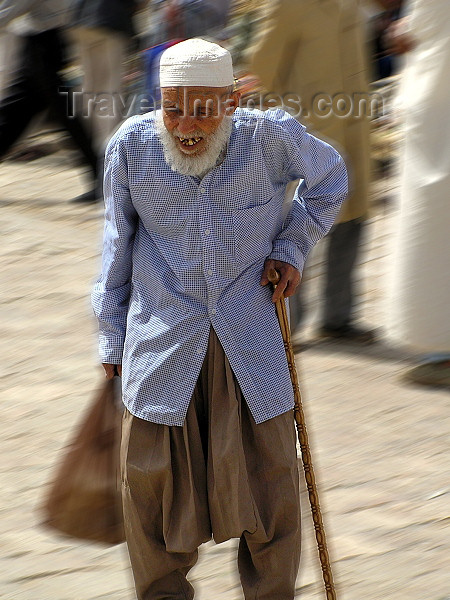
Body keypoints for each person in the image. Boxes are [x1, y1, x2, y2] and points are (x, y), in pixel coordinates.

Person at [92, 38, 347, 599]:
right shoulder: (130, 148)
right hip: (161, 348)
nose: (186, 124)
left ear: (231, 102)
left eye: (203, 108)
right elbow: (116, 245)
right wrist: (111, 335)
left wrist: (292, 245)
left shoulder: (271, 138)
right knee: (152, 493)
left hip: (250, 345)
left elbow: (331, 177)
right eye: (172, 106)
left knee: (272, 490)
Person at [249, 0, 377, 343]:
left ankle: (338, 318)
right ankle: (283, 322)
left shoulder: (350, 7)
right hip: (310, 137)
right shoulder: (286, 6)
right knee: (299, 231)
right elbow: (260, 75)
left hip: (354, 133)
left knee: (352, 224)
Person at [386, 0, 450, 386]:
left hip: (438, 104)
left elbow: (419, 27)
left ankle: (440, 346)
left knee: (434, 231)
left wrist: (404, 29)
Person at [0, 0, 98, 190]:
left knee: (62, 112)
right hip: (39, 41)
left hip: (45, 43)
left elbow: (10, 10)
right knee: (16, 109)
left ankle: (100, 173)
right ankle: (99, 172)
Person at [70, 0, 143, 202]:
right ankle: (107, 168)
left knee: (90, 94)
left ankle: (100, 165)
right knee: (109, 95)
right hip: (111, 21)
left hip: (82, 19)